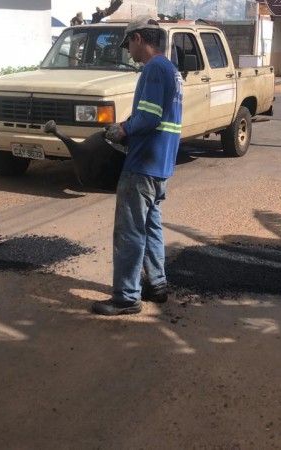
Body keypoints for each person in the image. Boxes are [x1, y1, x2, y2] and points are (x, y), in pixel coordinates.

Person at [92, 16, 183, 316]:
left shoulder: (154, 69)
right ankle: (157, 285)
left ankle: (127, 297)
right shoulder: (170, 70)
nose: (128, 50)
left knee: (129, 232)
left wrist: (122, 129)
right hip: (161, 165)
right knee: (150, 225)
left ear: (139, 39)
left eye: (128, 43)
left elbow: (149, 117)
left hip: (143, 164)